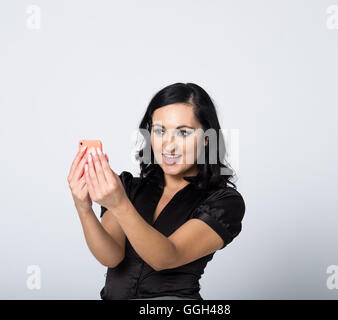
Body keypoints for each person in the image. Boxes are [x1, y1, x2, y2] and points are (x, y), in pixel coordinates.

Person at [67, 82, 245, 300]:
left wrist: (120, 204)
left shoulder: (223, 202)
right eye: (160, 131)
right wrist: (83, 207)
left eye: (183, 133)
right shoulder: (129, 188)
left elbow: (166, 257)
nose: (168, 146)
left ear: (207, 139)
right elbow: (111, 257)